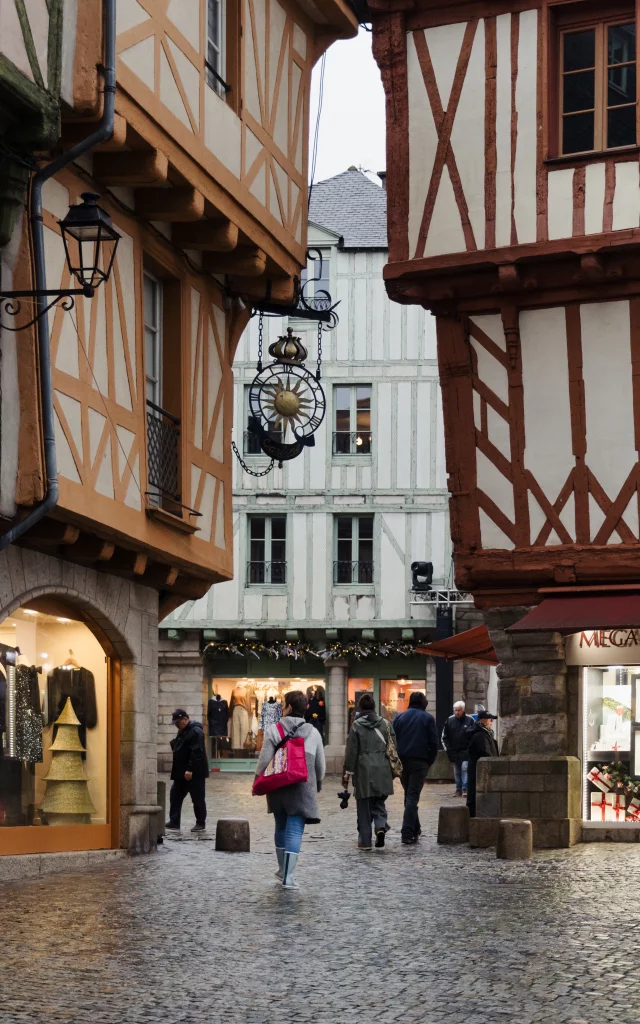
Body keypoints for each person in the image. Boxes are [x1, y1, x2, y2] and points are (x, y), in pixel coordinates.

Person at [254, 689, 325, 889]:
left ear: (289, 707)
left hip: (278, 786)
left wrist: (257, 779)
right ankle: (289, 877)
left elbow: (263, 761)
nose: (282, 708)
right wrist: (317, 782)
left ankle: (282, 870)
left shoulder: (274, 730)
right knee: (295, 830)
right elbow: (321, 766)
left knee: (281, 826)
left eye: (284, 705)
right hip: (303, 787)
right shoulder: (313, 732)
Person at [343, 692, 395, 851]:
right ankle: (380, 826)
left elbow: (352, 751)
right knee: (379, 801)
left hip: (363, 770)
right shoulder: (386, 724)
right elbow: (393, 747)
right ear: (374, 707)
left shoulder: (356, 726)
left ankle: (365, 841)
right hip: (382, 768)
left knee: (364, 807)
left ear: (359, 708)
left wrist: (348, 772)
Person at [392, 691, 438, 845]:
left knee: (409, 795)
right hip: (420, 761)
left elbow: (392, 740)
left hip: (403, 761)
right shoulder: (427, 718)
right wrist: (429, 760)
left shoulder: (399, 717)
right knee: (412, 796)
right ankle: (407, 832)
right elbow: (434, 742)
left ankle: (415, 828)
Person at [166, 709, 209, 833]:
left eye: (178, 722)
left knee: (197, 798)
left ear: (185, 719)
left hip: (194, 773)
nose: (176, 725)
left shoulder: (195, 731)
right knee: (175, 795)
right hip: (181, 773)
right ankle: (174, 821)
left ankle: (200, 823)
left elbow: (197, 752)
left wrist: (190, 769)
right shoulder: (183, 731)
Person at [466, 710, 499, 818]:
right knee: (474, 795)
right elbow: (485, 752)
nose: (492, 722)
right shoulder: (480, 735)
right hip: (477, 770)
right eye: (490, 720)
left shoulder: (485, 733)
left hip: (478, 770)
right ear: (484, 721)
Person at [442, 700, 474, 797]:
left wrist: (470, 749)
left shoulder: (470, 720)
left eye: (459, 710)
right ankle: (458, 789)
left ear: (463, 710)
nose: (457, 712)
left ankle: (465, 788)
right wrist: (448, 750)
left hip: (466, 751)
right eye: (455, 710)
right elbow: (444, 737)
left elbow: (473, 736)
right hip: (454, 751)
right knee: (457, 771)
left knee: (464, 768)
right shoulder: (450, 720)